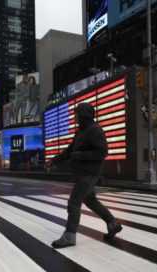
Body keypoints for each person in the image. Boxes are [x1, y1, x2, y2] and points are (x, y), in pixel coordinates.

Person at [47, 103, 123, 249]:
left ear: (84, 115)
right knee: (91, 201)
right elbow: (69, 151)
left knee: (74, 202)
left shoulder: (95, 130)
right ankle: (112, 224)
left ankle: (69, 236)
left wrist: (80, 155)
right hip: (83, 173)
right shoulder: (81, 131)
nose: (74, 117)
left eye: (76, 114)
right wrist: (54, 160)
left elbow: (102, 153)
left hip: (89, 173)